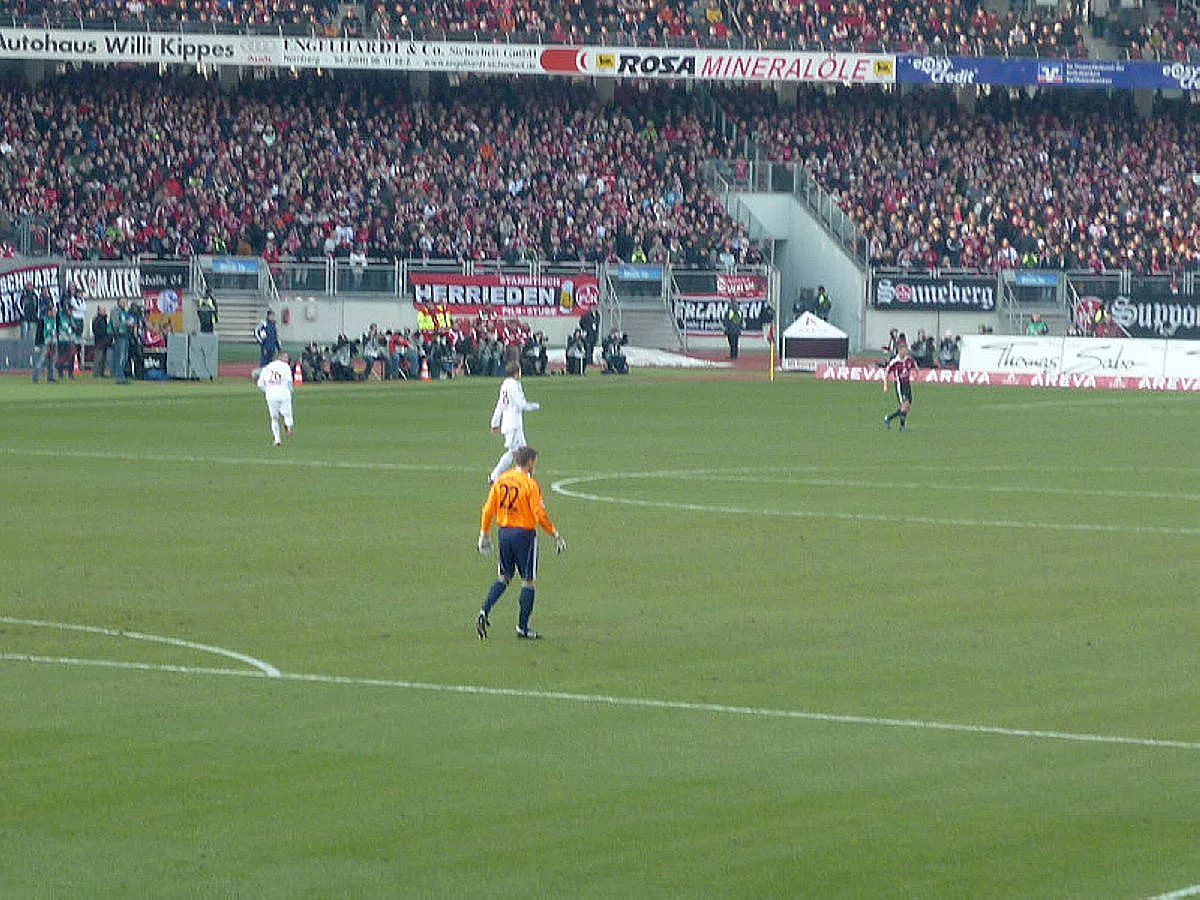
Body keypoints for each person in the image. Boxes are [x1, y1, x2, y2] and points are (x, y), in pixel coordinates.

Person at [475, 445, 567, 641]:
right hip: (524, 535)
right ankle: (522, 628)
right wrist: (555, 533)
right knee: (528, 581)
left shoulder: (501, 480)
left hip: (504, 533)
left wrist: (484, 534)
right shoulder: (530, 484)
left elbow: (488, 509)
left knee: (504, 577)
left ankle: (484, 610)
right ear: (531, 462)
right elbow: (539, 514)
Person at [489, 360, 540, 485]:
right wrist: (535, 406)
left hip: (510, 423)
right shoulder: (514, 385)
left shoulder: (505, 385)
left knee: (521, 451)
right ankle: (495, 476)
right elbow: (520, 404)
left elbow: (500, 405)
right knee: (515, 453)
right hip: (513, 424)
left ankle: (525, 475)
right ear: (516, 373)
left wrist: (495, 423)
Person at [256, 350, 295, 447]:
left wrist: (267, 390)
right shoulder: (285, 367)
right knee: (287, 414)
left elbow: (260, 384)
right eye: (286, 358)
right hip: (284, 394)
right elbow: (289, 381)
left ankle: (277, 439)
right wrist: (291, 391)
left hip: (271, 396)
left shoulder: (267, 368)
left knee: (274, 418)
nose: (287, 360)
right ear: (280, 357)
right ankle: (288, 427)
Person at [883, 341, 919, 432]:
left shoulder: (908, 359)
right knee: (904, 405)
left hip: (908, 385)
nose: (906, 352)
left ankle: (889, 418)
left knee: (907, 407)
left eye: (906, 350)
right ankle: (902, 427)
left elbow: (914, 365)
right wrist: (885, 385)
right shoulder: (895, 362)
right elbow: (886, 373)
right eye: (904, 350)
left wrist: (917, 371)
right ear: (899, 351)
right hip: (900, 386)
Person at [32, 302, 57, 383]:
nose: (54, 312)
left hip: (53, 342)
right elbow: (38, 333)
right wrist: (37, 344)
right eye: (53, 311)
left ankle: (51, 377)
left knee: (52, 361)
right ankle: (36, 377)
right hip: (44, 343)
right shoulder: (43, 321)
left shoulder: (54, 320)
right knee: (41, 360)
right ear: (49, 312)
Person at [111, 299, 132, 384]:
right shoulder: (115, 311)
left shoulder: (125, 312)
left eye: (125, 302)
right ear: (118, 302)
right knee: (120, 357)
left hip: (126, 335)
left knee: (125, 357)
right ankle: (119, 377)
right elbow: (116, 324)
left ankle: (122, 376)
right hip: (120, 336)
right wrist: (126, 323)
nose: (124, 304)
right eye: (122, 302)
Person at [92, 305, 111, 378]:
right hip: (99, 342)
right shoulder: (97, 320)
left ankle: (101, 372)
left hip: (104, 342)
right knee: (98, 358)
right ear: (99, 311)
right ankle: (96, 373)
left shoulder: (104, 319)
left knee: (103, 358)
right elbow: (97, 331)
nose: (105, 311)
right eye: (103, 310)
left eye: (105, 310)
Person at [579, 307, 600, 372]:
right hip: (588, 334)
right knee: (588, 348)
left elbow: (597, 325)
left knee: (592, 348)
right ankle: (588, 362)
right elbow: (581, 323)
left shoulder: (597, 315)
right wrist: (586, 329)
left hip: (594, 334)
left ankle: (590, 361)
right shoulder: (586, 315)